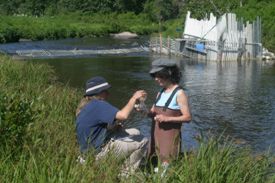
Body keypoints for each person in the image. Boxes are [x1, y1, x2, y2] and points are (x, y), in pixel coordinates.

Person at [75, 76, 148, 174]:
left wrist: (114, 127)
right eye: (105, 91)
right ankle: (125, 174)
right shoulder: (98, 104)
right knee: (143, 140)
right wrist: (134, 98)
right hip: (97, 156)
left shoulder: (87, 106)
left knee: (136, 131)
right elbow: (123, 115)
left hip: (88, 154)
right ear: (98, 92)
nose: (108, 94)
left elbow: (97, 128)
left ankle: (128, 165)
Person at [148, 58, 191, 173]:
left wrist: (167, 118)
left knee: (168, 169)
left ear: (169, 74)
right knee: (156, 166)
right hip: (156, 137)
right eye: (155, 76)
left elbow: (187, 117)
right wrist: (142, 109)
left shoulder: (179, 93)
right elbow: (152, 113)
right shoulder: (160, 93)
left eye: (159, 75)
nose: (156, 79)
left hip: (170, 139)